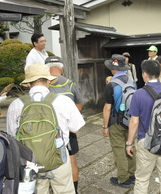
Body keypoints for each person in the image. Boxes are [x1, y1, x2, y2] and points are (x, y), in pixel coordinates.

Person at [6, 64, 85, 193]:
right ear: (48, 81)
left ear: (28, 84)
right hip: (58, 158)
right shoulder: (63, 101)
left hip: (29, 162)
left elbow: (12, 136)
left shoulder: (15, 105)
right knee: (64, 190)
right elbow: (76, 128)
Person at [126, 59, 161, 194]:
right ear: (160, 73)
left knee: (142, 178)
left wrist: (129, 143)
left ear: (144, 74)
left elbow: (134, 122)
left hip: (146, 141)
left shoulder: (138, 94)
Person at [45, 56, 83, 194]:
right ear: (62, 68)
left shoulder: (43, 85)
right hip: (67, 130)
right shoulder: (70, 83)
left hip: (45, 131)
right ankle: (74, 190)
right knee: (71, 161)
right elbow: (79, 107)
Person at [102, 54, 136, 188]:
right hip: (131, 119)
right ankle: (132, 174)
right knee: (131, 145)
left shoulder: (111, 85)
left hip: (116, 121)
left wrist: (105, 126)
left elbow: (107, 107)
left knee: (118, 149)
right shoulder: (132, 81)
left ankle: (123, 178)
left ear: (112, 68)